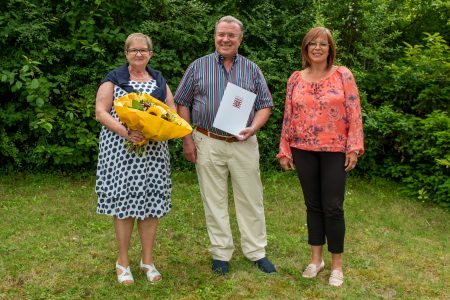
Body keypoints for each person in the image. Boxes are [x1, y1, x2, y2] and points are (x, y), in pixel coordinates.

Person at [174, 15, 276, 275]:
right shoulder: (198, 66)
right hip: (207, 140)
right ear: (215, 36)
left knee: (251, 198)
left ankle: (256, 251)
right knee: (213, 199)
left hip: (243, 143)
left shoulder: (252, 69)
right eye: (221, 34)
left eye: (231, 35)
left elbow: (265, 105)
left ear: (240, 39)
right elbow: (181, 102)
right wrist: (187, 139)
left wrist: (253, 127)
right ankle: (221, 253)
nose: (225, 39)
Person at [277, 27, 364, 287]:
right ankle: (316, 260)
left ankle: (336, 265)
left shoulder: (343, 75)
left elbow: (354, 111)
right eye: (312, 43)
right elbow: (288, 115)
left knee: (333, 207)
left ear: (330, 49)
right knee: (312, 205)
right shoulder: (295, 78)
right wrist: (285, 148)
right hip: (303, 148)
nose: (317, 47)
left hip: (335, 150)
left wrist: (354, 147)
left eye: (322, 44)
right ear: (305, 48)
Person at [95, 33, 175, 285]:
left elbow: (171, 111)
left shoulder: (159, 80)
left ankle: (148, 261)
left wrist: (154, 128)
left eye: (144, 50)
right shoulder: (114, 79)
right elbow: (100, 112)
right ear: (126, 53)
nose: (139, 54)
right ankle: (123, 262)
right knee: (124, 206)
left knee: (151, 205)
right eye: (133, 50)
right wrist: (127, 132)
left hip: (152, 151)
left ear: (151, 53)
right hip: (121, 151)